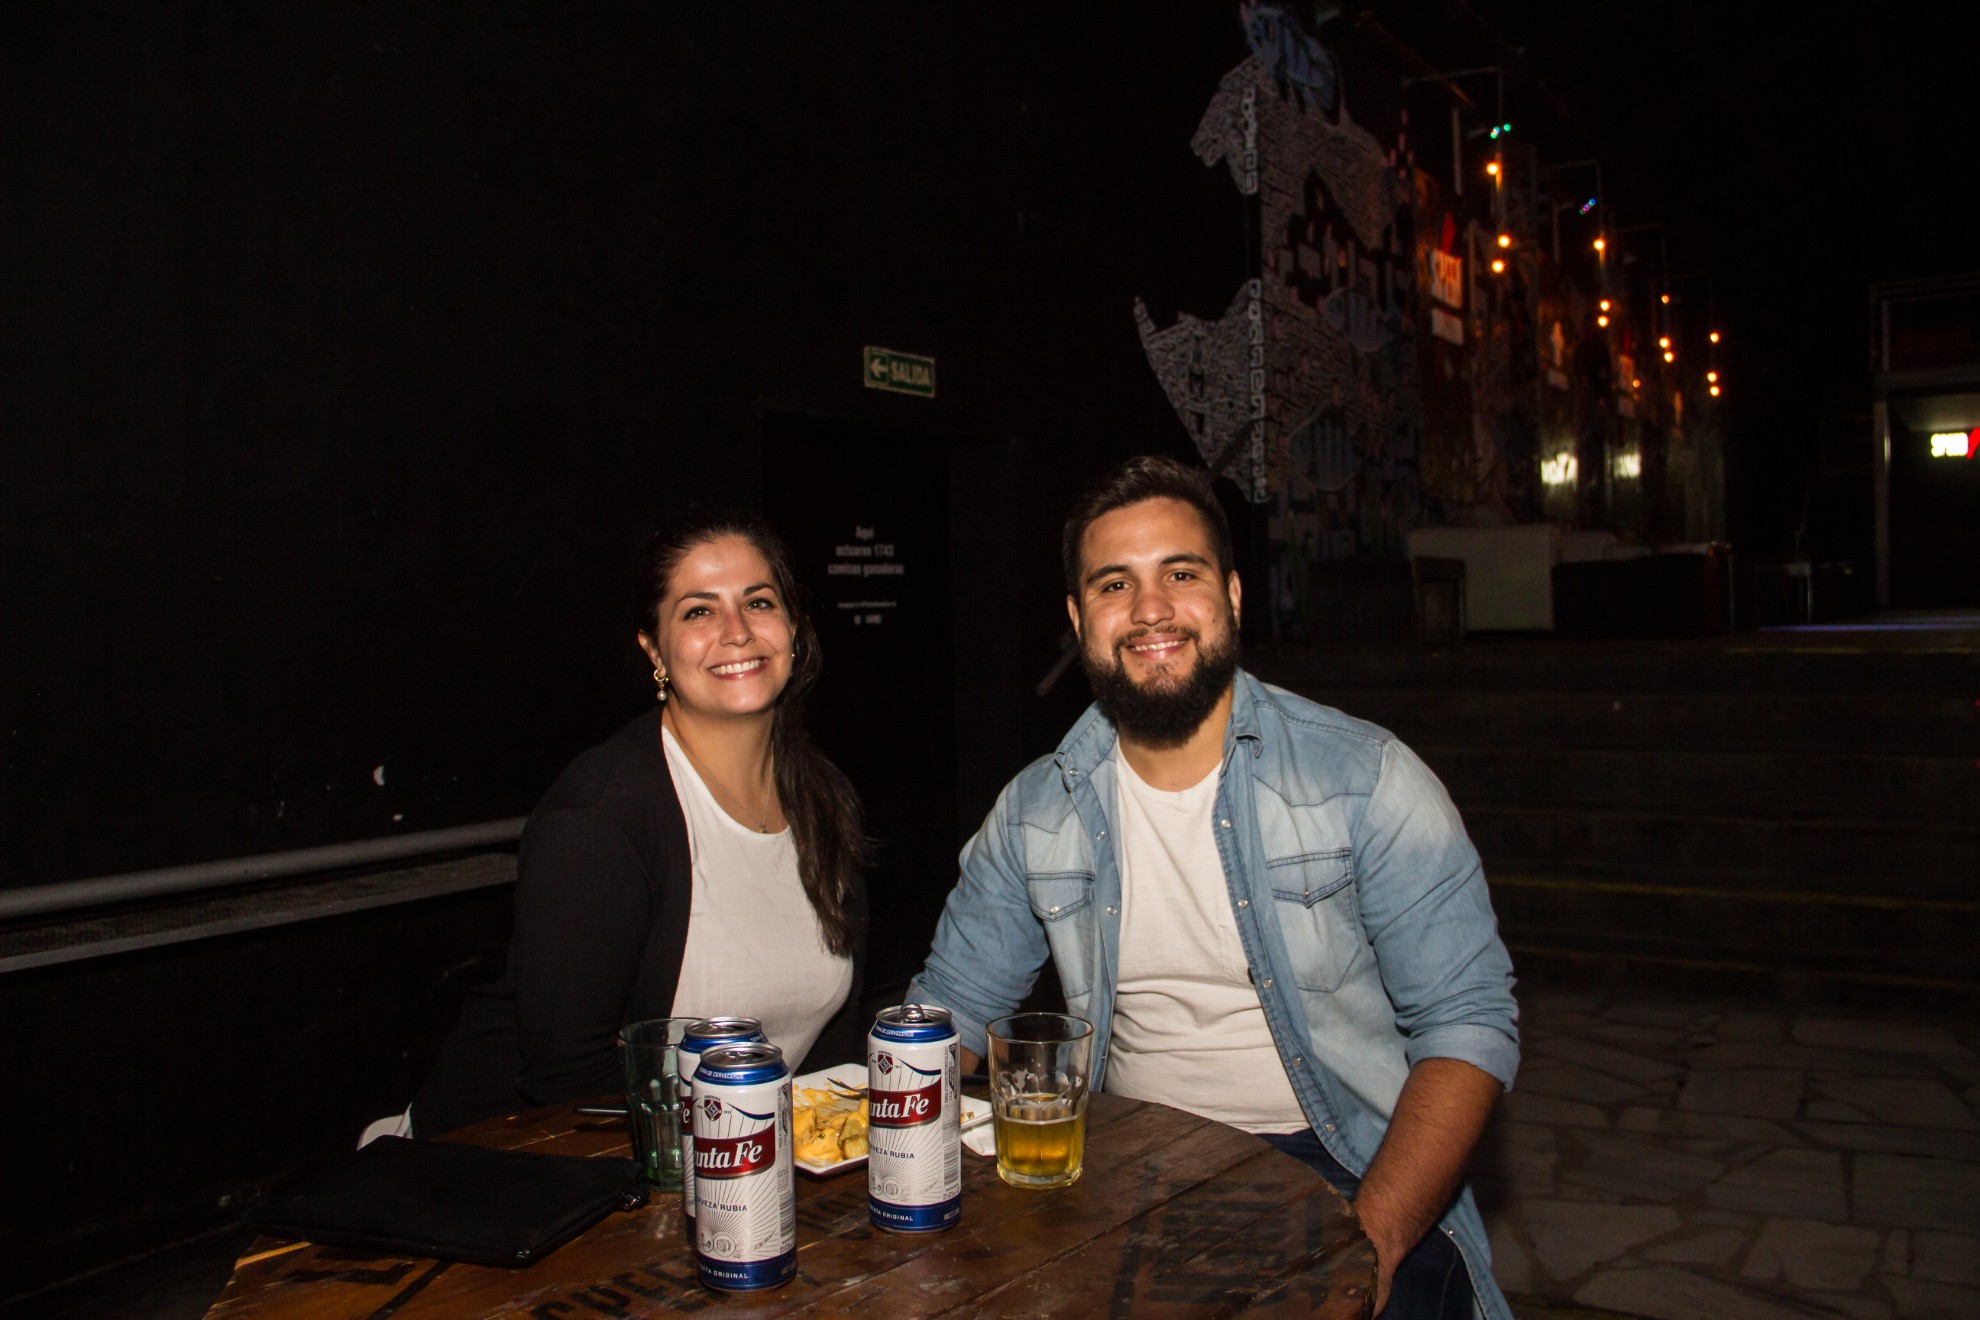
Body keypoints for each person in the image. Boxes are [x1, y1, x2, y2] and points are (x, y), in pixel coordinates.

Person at [908, 456, 1519, 1320]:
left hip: (1346, 1160)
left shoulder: (1365, 778)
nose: (1150, 609)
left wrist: (1370, 1244)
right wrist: (886, 1155)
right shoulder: (1037, 810)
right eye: (1115, 584)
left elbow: (1468, 1027)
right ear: (1079, 620)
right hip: (1124, 1165)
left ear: (1232, 595)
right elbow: (952, 1011)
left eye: (1181, 574)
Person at [410, 514, 866, 1136]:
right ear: (655, 651)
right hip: (496, 1164)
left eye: (758, 602)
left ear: (792, 628)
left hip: (739, 1162)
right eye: (699, 611)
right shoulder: (602, 815)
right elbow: (570, 1081)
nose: (737, 631)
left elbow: (831, 1049)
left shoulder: (824, 798)